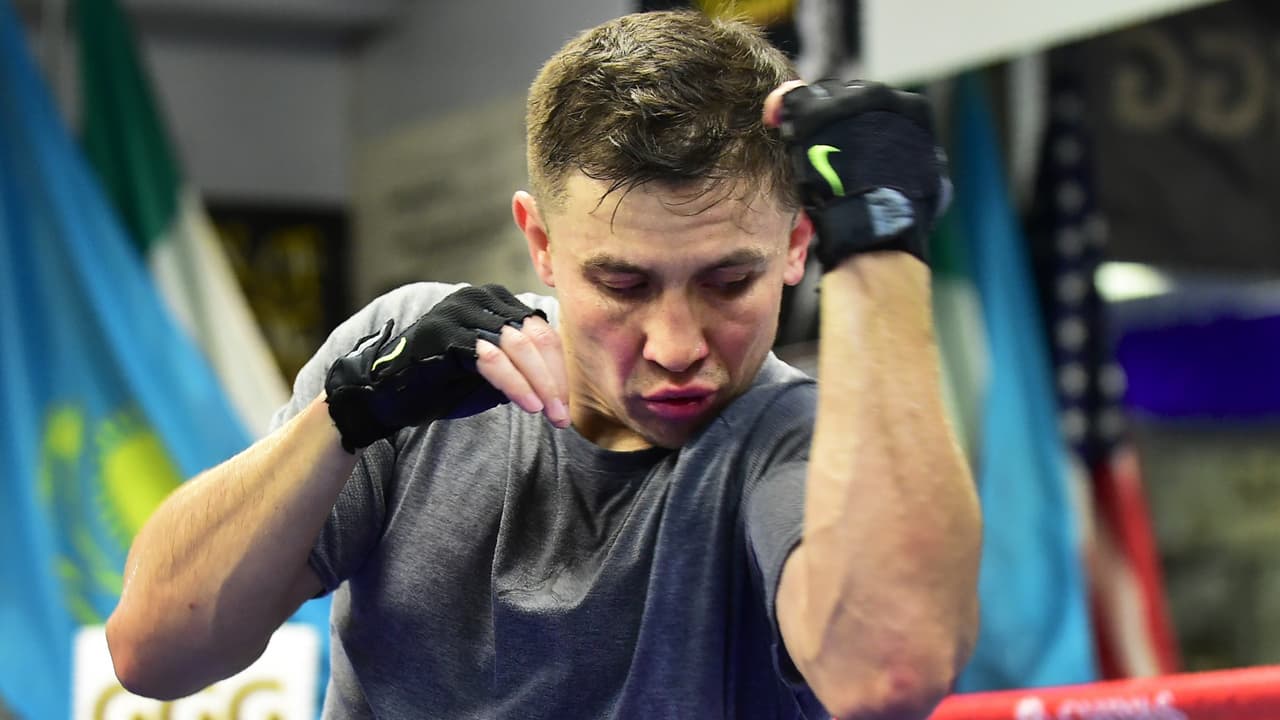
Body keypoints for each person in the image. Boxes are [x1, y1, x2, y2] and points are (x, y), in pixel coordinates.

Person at [106, 10, 981, 720]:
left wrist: (883, 249)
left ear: (795, 244)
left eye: (728, 282)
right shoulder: (406, 355)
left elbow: (891, 673)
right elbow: (152, 650)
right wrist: (343, 417)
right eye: (623, 284)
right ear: (541, 243)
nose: (676, 345)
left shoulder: (800, 450)